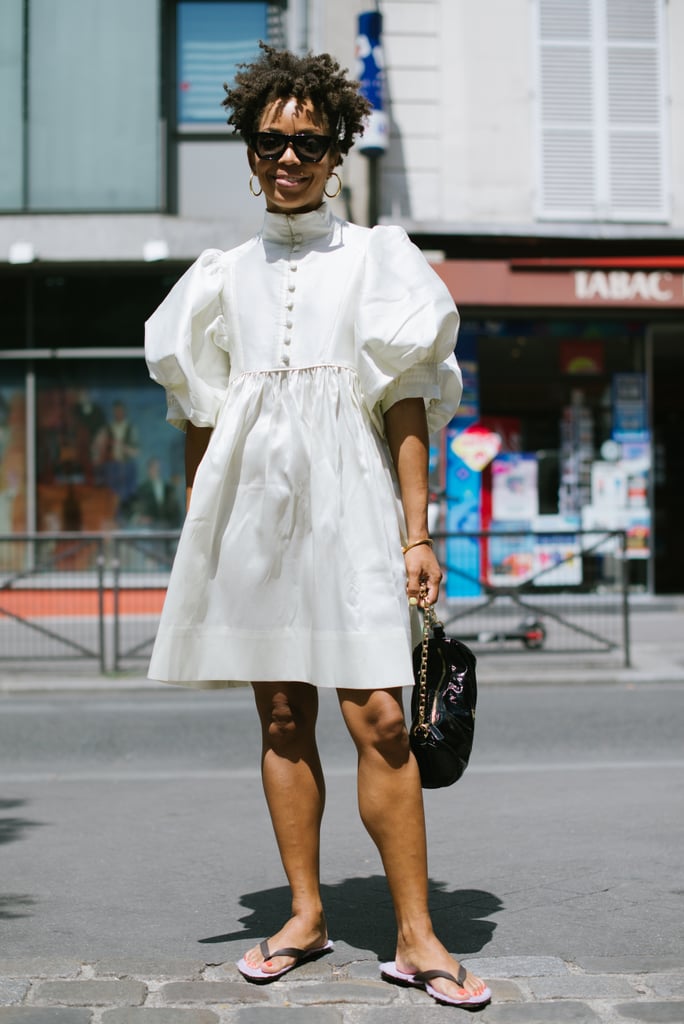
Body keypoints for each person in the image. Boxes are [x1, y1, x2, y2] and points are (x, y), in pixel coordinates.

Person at [144, 43, 490, 1009]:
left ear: (338, 149)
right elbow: (199, 416)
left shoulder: (379, 258)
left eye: (309, 140)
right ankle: (306, 912)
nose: (288, 157)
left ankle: (417, 934)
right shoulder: (218, 276)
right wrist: (199, 533)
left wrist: (418, 534)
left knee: (381, 717)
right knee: (283, 714)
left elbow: (406, 406)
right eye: (270, 140)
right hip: (252, 511)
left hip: (353, 508)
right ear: (249, 151)